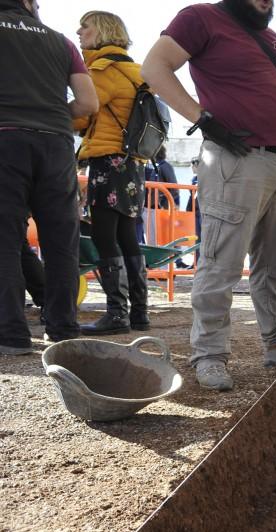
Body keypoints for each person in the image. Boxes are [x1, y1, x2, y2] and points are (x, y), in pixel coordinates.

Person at [142, 0, 276, 391]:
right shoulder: (199, 18)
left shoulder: (275, 40)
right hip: (235, 158)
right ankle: (210, 355)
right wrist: (202, 119)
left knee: (275, 267)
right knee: (221, 264)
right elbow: (153, 68)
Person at [0, 0, 97, 355]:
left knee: (6, 241)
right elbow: (88, 103)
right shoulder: (61, 42)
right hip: (56, 143)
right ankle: (62, 329)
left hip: (5, 138)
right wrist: (52, 114)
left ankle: (11, 334)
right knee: (61, 241)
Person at [73, 10, 151, 335]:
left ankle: (116, 314)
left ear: (102, 31)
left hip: (108, 161)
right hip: (133, 163)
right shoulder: (136, 70)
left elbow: (82, 115)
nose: (78, 32)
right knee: (127, 237)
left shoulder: (102, 70)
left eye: (85, 27)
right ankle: (139, 314)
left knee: (105, 237)